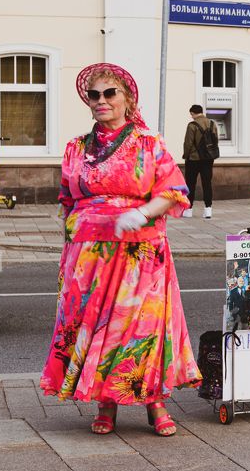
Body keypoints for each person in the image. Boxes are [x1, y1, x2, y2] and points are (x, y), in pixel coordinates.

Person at [41, 63, 200, 437]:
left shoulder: (149, 142)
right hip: (89, 256)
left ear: (127, 99)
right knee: (97, 328)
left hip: (140, 254)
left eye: (109, 94)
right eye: (93, 95)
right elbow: (67, 198)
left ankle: (155, 402)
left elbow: (173, 192)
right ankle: (106, 403)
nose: (100, 101)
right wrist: (72, 241)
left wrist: (141, 212)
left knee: (142, 327)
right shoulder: (75, 147)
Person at [181, 104, 218, 219]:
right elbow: (216, 140)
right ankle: (208, 210)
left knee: (190, 184)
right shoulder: (212, 123)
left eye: (191, 114)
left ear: (193, 113)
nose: (191, 117)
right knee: (207, 183)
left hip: (194, 159)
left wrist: (186, 155)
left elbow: (188, 143)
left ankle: (188, 210)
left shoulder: (192, 125)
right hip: (208, 159)